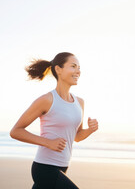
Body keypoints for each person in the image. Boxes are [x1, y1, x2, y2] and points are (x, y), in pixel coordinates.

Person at [10, 52, 98, 189]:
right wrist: (48, 142)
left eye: (79, 68)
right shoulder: (47, 100)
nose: (78, 71)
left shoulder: (80, 102)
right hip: (44, 168)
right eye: (73, 66)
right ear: (58, 69)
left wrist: (90, 130)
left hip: (63, 166)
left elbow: (77, 137)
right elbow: (15, 131)